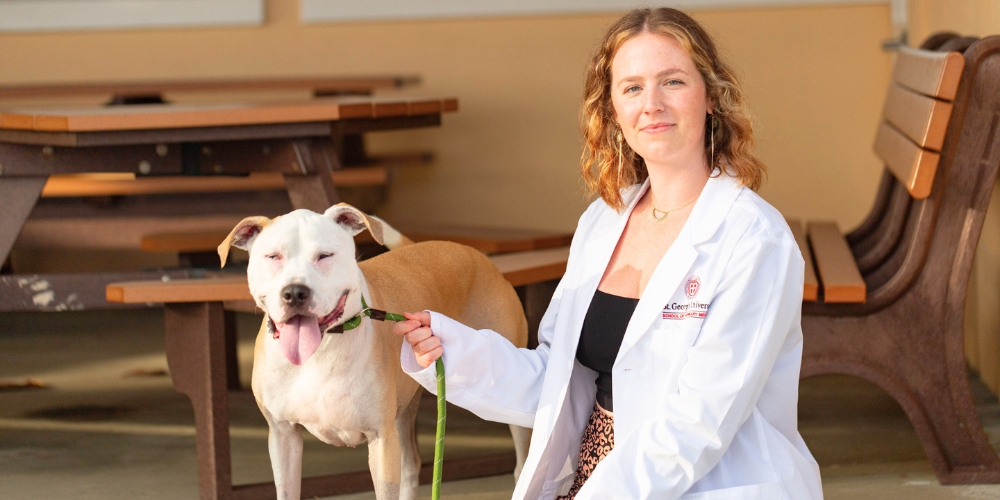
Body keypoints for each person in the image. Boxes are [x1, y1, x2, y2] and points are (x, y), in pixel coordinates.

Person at [393, 7, 823, 500]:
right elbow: (555, 380)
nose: (652, 104)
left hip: (704, 483)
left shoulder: (754, 240)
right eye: (632, 87)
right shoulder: (604, 219)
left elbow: (700, 425)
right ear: (613, 109)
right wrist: (452, 353)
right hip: (596, 478)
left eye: (673, 82)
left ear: (711, 97)